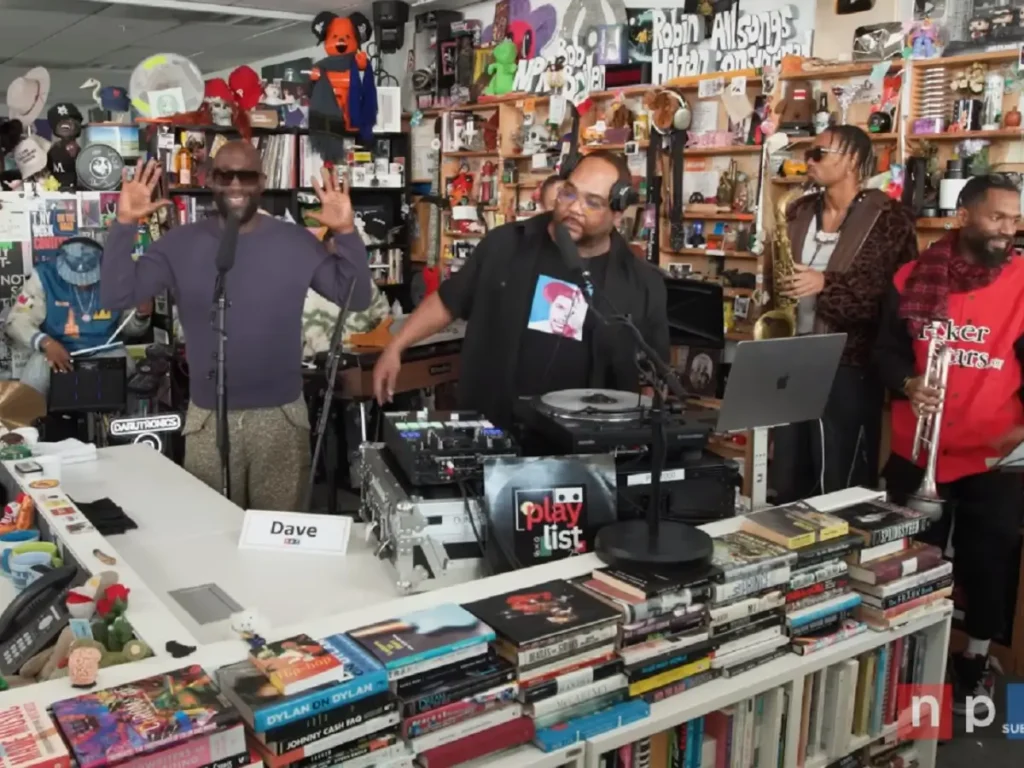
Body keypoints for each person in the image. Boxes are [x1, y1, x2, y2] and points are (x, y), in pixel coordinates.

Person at [101, 144, 372, 511]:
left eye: (245, 176)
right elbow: (117, 295)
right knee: (212, 532)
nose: (234, 185)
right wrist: (124, 225)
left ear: (262, 181)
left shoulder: (295, 241)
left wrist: (347, 232)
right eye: (224, 175)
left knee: (276, 537)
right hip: (208, 419)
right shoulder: (179, 243)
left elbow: (354, 296)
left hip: (281, 418)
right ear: (209, 180)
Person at [372, 150, 668, 428]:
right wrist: (397, 346)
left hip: (585, 444)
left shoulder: (642, 284)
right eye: (569, 193)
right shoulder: (505, 245)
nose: (575, 208)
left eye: (593, 202)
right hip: (494, 429)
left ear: (617, 213)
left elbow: (652, 379)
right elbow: (448, 301)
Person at [875, 174, 1024, 713]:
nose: (1008, 230)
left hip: (993, 458)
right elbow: (884, 353)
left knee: (989, 563)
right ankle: (909, 670)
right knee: (909, 564)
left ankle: (975, 659)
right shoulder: (911, 277)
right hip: (918, 453)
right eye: (997, 217)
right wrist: (908, 383)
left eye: (1015, 219)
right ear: (963, 216)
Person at [770, 125, 917, 502]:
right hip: (791, 357)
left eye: (819, 154)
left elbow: (887, 301)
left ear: (852, 160)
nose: (809, 161)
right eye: (808, 154)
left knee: (839, 474)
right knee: (788, 471)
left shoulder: (890, 219)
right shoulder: (798, 210)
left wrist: (825, 284)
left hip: (850, 365)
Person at [5, 237, 151, 398]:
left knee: (132, 389)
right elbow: (16, 321)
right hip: (55, 350)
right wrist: (45, 343)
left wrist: (141, 315)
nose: (83, 283)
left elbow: (132, 330)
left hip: (107, 350)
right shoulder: (43, 276)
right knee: (28, 393)